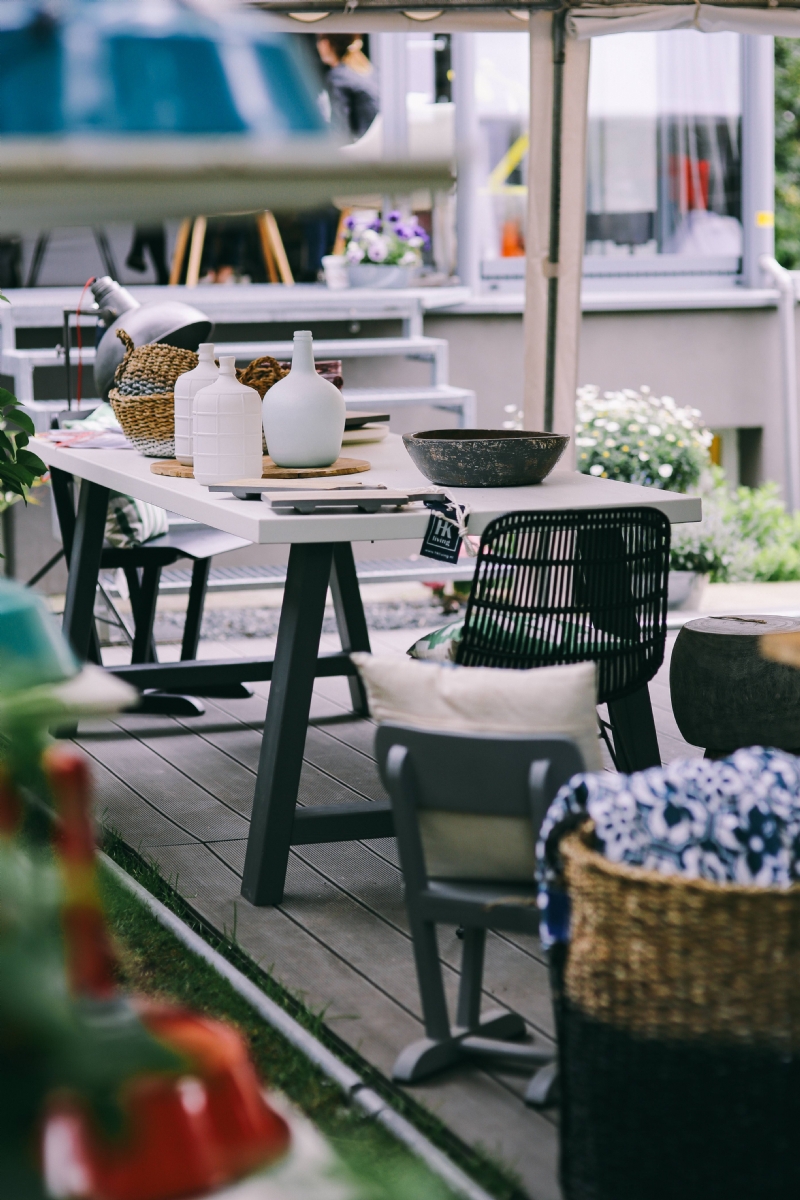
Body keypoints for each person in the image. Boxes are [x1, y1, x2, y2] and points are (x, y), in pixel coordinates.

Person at [315, 35, 378, 141]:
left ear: (326, 44)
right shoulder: (369, 71)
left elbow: (340, 130)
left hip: (360, 146)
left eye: (319, 40)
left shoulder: (338, 77)